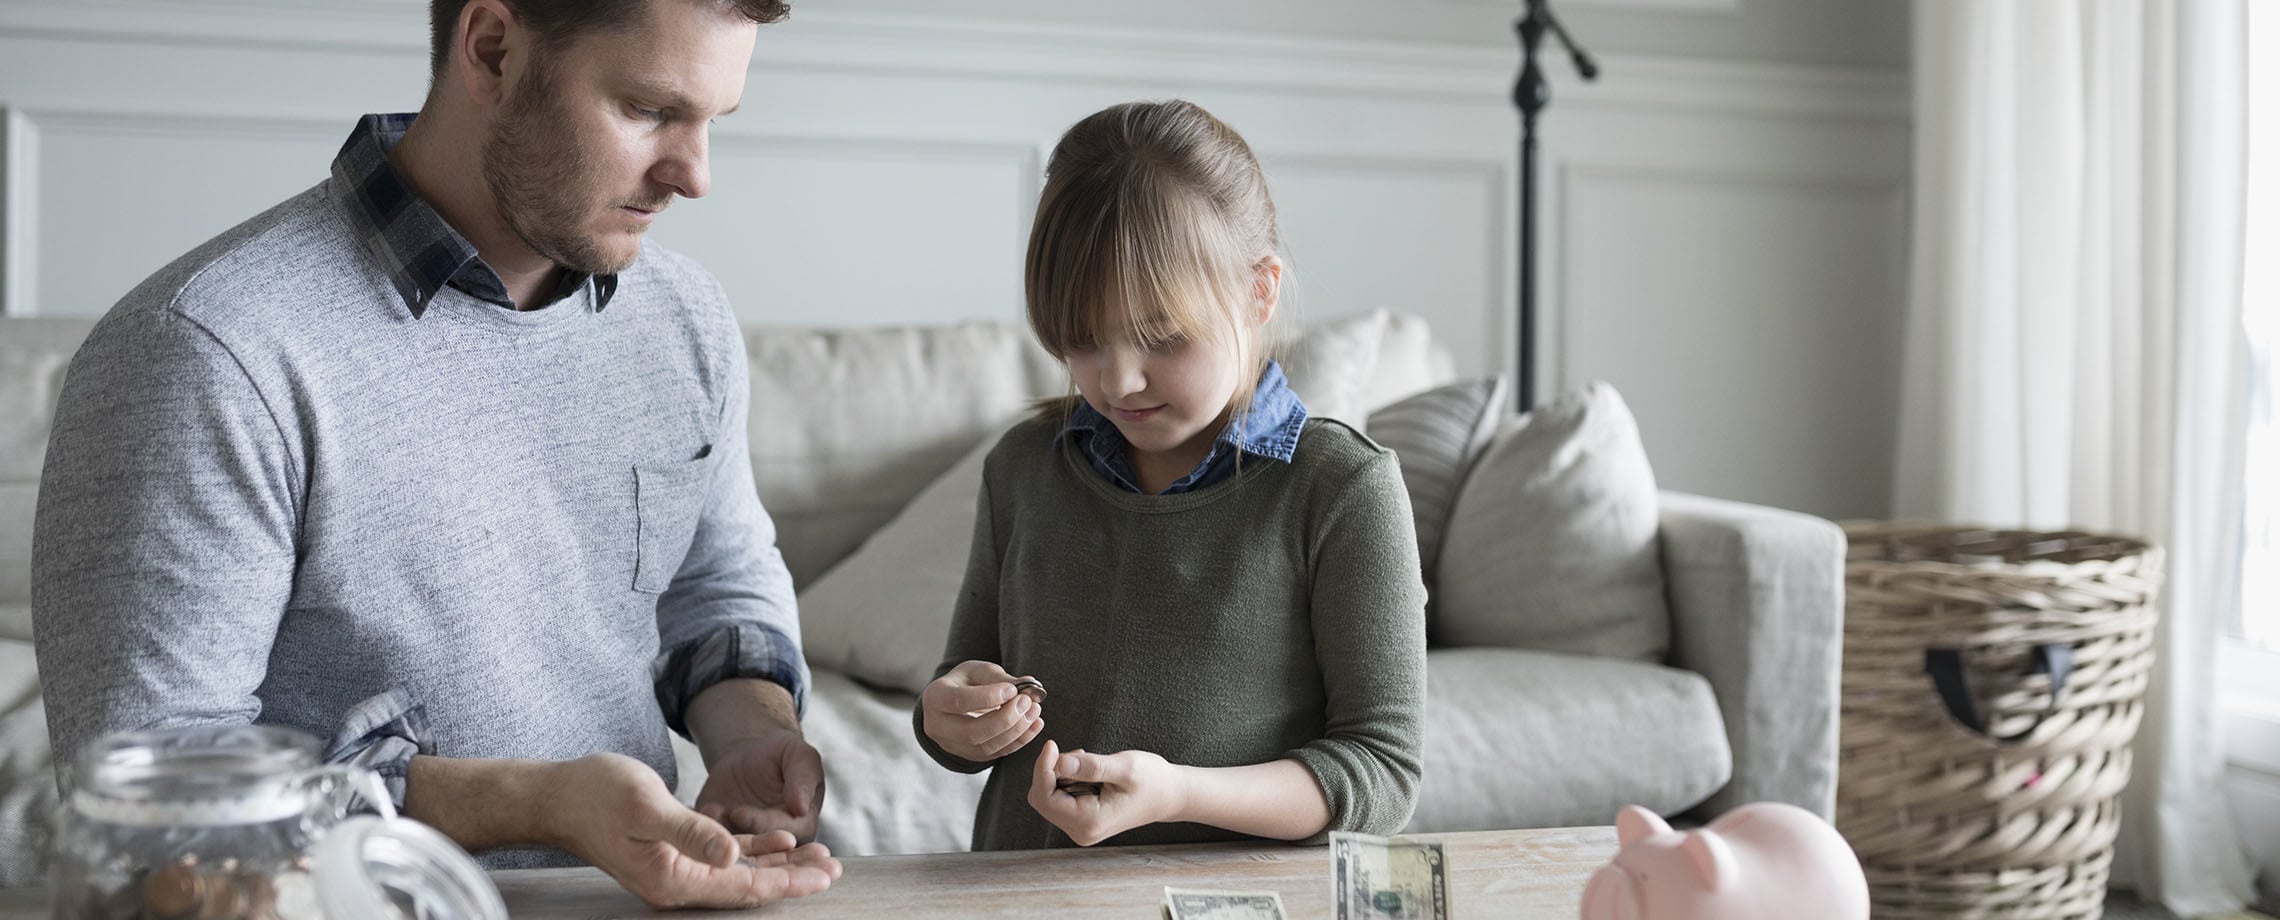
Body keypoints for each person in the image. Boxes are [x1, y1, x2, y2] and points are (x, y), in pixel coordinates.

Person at [31, 0, 841, 908]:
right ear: (492, 49)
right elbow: (148, 797)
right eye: (649, 110)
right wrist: (536, 804)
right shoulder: (207, 348)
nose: (693, 176)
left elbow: (716, 581)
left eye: (711, 122)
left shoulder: (686, 318)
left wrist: (748, 735)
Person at [912, 100, 1428, 850]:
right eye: (1083, 340)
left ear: (1259, 292)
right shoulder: (1022, 470)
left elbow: (1382, 772)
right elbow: (960, 685)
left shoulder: (1342, 489)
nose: (1118, 381)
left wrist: (1179, 793)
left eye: (1161, 337)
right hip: (1027, 897)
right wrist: (947, 716)